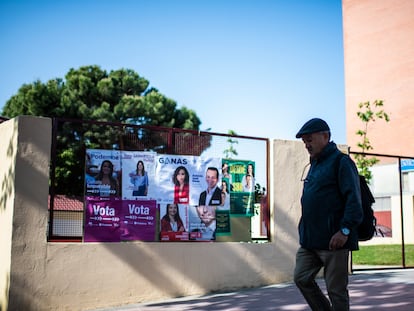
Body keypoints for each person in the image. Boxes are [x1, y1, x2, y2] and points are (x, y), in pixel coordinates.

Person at [293, 118, 363, 311]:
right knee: (301, 278)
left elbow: (354, 202)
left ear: (325, 136)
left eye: (310, 139)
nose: (307, 144)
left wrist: (345, 230)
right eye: (304, 141)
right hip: (310, 241)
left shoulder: (342, 162)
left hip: (335, 241)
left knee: (336, 291)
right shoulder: (314, 163)